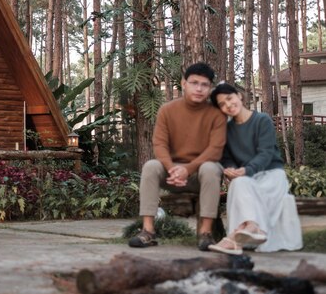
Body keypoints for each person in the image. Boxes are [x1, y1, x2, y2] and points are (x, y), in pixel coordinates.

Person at [128, 62, 227, 251]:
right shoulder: (167, 110)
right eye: (194, 83)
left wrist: (187, 169)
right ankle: (147, 231)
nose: (199, 88)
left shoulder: (216, 114)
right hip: (172, 172)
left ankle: (205, 234)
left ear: (210, 88)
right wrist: (173, 168)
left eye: (204, 84)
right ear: (184, 83)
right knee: (150, 166)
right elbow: (159, 144)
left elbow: (215, 150)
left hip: (200, 174)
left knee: (211, 167)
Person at [207, 83, 303, 255]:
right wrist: (230, 169)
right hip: (247, 177)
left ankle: (238, 237)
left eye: (229, 98)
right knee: (238, 184)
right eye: (222, 104)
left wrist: (246, 170)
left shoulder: (262, 120)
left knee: (242, 182)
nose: (228, 105)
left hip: (272, 175)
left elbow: (265, 153)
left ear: (239, 96)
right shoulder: (226, 130)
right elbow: (226, 158)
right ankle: (249, 230)